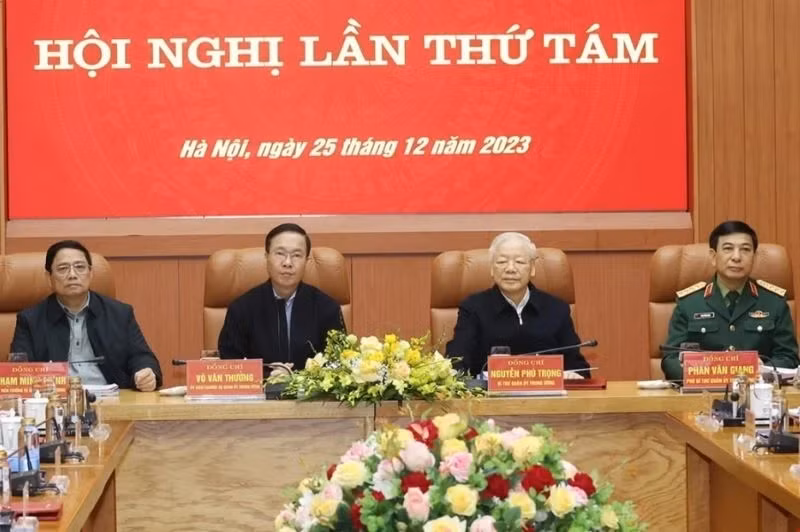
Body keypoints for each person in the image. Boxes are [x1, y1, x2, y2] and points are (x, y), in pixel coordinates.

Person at [10, 240, 162, 391]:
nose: (72, 275)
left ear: (91, 273)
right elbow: (19, 372)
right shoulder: (30, 320)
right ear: (48, 277)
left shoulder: (120, 314)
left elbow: (142, 357)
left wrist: (146, 373)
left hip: (111, 402)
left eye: (80, 267)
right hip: (57, 402)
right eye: (63, 268)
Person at [662, 220, 799, 381]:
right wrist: (704, 375)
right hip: (701, 395)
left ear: (754, 257)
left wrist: (764, 371)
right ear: (713, 257)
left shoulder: (774, 302)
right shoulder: (689, 303)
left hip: (757, 395)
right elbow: (670, 359)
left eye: (745, 250)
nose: (736, 257)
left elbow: (789, 358)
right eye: (728, 249)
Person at [445, 232, 591, 379]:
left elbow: (578, 367)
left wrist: (575, 376)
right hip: (490, 398)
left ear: (532, 268)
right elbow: (458, 359)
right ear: (491, 268)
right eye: (502, 262)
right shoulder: (473, 308)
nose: (510, 269)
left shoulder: (557, 309)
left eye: (520, 262)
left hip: (546, 399)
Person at [217, 223, 345, 366]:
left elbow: (337, 367)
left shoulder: (327, 309)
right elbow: (230, 365)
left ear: (306, 261)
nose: (287, 263)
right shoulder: (241, 309)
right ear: (267, 257)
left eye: (296, 255)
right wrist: (269, 376)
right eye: (280, 253)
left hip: (310, 388)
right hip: (260, 388)